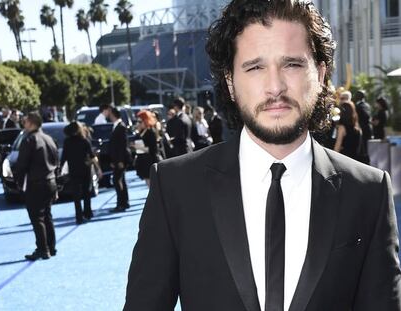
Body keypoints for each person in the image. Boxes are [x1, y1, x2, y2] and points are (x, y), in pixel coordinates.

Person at [124, 1, 401, 310]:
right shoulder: (175, 186)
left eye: (292, 64)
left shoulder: (367, 191)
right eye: (255, 67)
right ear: (229, 82)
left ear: (320, 74)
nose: (275, 86)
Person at [14, 111, 58, 260]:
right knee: (47, 215)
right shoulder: (48, 138)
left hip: (36, 183)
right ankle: (51, 247)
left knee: (37, 218)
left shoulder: (30, 140)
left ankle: (42, 249)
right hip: (50, 181)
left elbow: (22, 164)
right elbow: (56, 159)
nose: (24, 124)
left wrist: (18, 182)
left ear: (32, 123)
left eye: (25, 121)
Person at [61, 121, 101, 224]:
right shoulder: (84, 141)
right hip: (85, 168)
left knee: (76, 194)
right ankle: (87, 212)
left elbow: (64, 157)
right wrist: (98, 168)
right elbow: (92, 156)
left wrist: (61, 169)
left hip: (73, 170)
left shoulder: (67, 142)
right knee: (86, 192)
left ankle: (78, 216)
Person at [108, 107, 131, 212]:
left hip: (120, 159)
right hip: (117, 159)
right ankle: (124, 202)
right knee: (120, 180)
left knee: (117, 180)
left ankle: (121, 203)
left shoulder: (121, 126)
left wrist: (121, 160)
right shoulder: (116, 126)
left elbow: (122, 145)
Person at [133, 111, 159, 186]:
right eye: (137, 121)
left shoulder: (150, 133)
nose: (138, 123)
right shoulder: (140, 133)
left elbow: (153, 149)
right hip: (142, 160)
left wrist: (139, 147)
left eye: (140, 121)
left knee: (152, 183)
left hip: (150, 160)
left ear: (145, 121)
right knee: (147, 181)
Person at [353, 90, 372, 163]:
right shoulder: (367, 105)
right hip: (368, 129)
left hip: (363, 130)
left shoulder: (359, 106)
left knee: (363, 149)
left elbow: (365, 116)